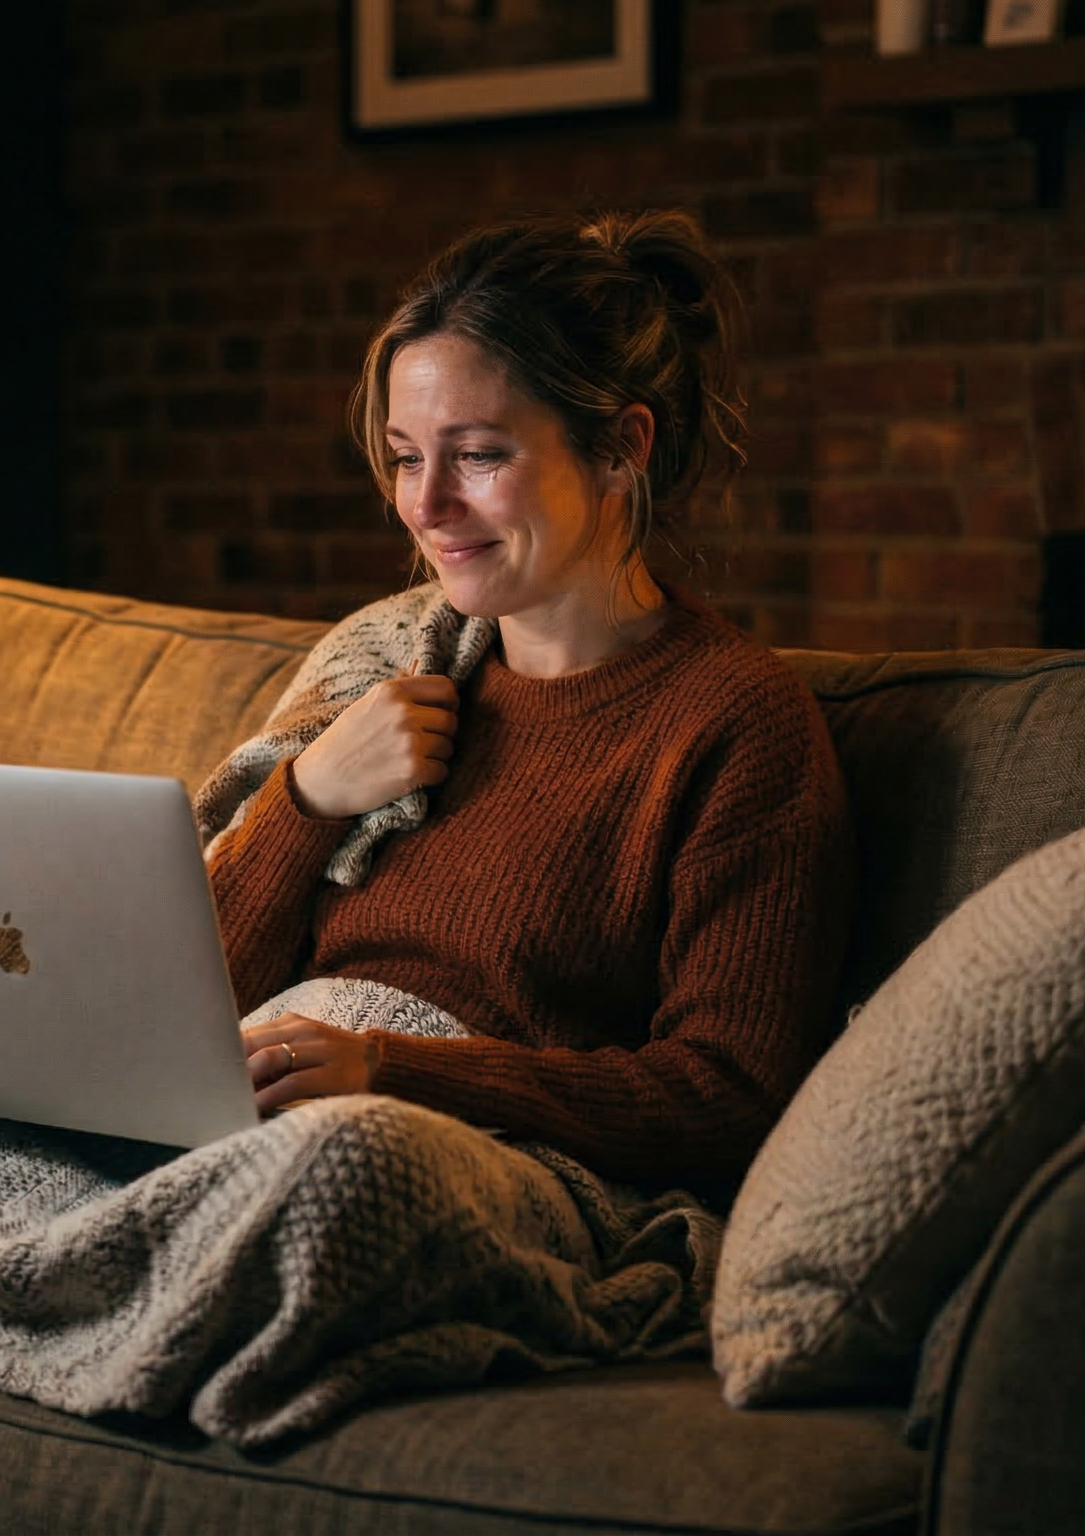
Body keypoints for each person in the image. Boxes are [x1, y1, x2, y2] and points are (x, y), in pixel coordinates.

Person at [214, 210, 854, 1195]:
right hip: (258, 1116)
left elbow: (728, 1095)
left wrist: (392, 1071)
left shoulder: (732, 722)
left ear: (617, 449)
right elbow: (175, 1010)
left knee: (327, 1176)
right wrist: (304, 799)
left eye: (476, 455)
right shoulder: (384, 666)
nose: (425, 506)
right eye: (403, 456)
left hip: (471, 1161)